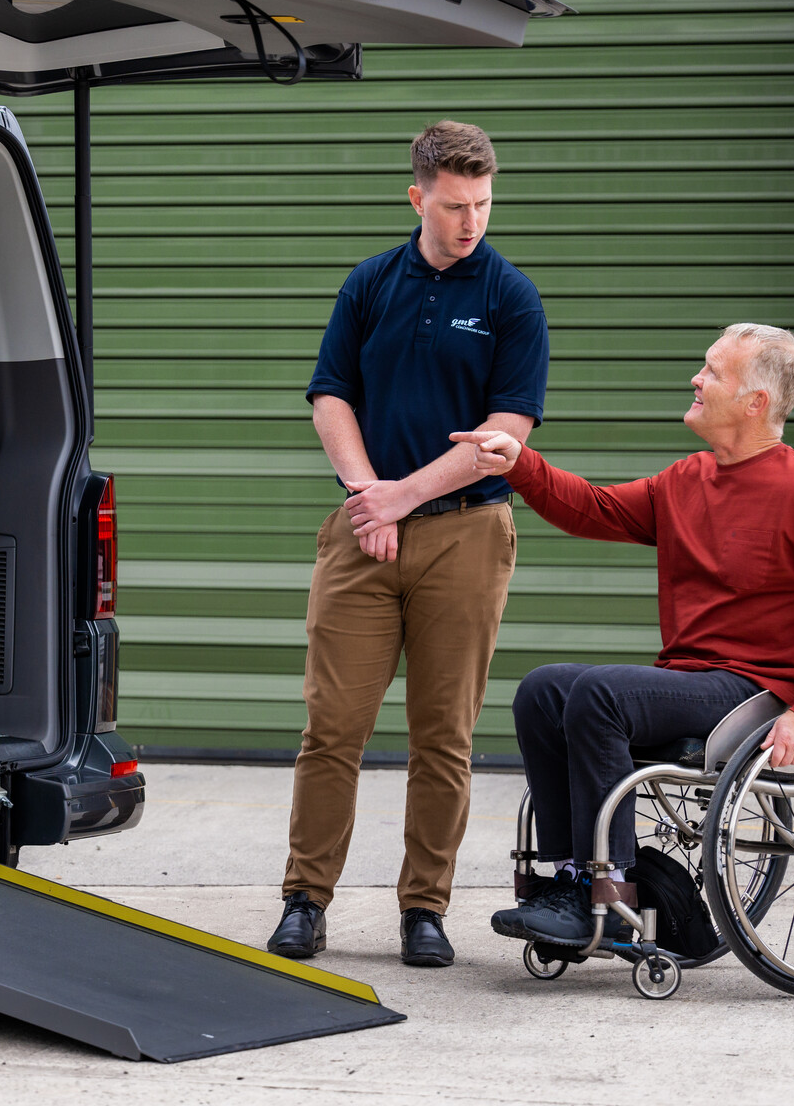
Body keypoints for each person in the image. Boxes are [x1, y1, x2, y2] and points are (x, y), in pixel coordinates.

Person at [449, 323, 794, 948]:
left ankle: (616, 898)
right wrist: (520, 464)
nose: (696, 378)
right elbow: (594, 510)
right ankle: (569, 882)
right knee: (544, 690)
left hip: (756, 690)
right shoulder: (688, 480)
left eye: (713, 371)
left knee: (599, 694)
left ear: (756, 402)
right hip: (688, 679)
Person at [267, 121, 550, 968]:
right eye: (456, 204)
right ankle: (303, 899)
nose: (472, 221)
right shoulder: (369, 285)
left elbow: (505, 432)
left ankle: (424, 908)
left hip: (466, 536)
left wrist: (404, 494)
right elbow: (330, 396)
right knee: (332, 728)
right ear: (418, 194)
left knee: (443, 736)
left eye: (485, 204)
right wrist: (366, 497)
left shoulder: (510, 297)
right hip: (363, 536)